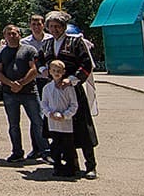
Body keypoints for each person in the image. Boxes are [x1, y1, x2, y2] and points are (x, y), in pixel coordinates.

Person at [38, 11, 99, 178]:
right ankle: (68, 164)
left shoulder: (75, 42)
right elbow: (39, 60)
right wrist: (43, 70)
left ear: (64, 27)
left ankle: (91, 165)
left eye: (57, 26)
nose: (54, 30)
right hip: (53, 91)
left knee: (83, 129)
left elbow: (86, 64)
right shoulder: (47, 44)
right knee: (58, 130)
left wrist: (72, 79)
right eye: (51, 27)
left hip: (72, 89)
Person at [0, 24, 46, 161]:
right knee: (13, 125)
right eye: (9, 34)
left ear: (19, 35)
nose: (12, 36)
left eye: (14, 33)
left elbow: (34, 69)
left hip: (29, 91)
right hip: (9, 93)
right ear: (4, 36)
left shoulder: (29, 50)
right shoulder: (0, 53)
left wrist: (21, 83)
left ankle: (45, 151)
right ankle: (17, 152)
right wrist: (11, 84)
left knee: (38, 121)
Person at [40, 59, 80, 177]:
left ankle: (70, 168)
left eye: (59, 71)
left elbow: (74, 104)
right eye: (54, 71)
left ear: (63, 72)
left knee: (68, 147)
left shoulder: (68, 88)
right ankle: (57, 167)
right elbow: (44, 104)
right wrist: (49, 114)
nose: (56, 73)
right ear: (50, 72)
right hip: (53, 123)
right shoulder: (47, 88)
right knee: (55, 146)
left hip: (66, 124)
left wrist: (66, 115)